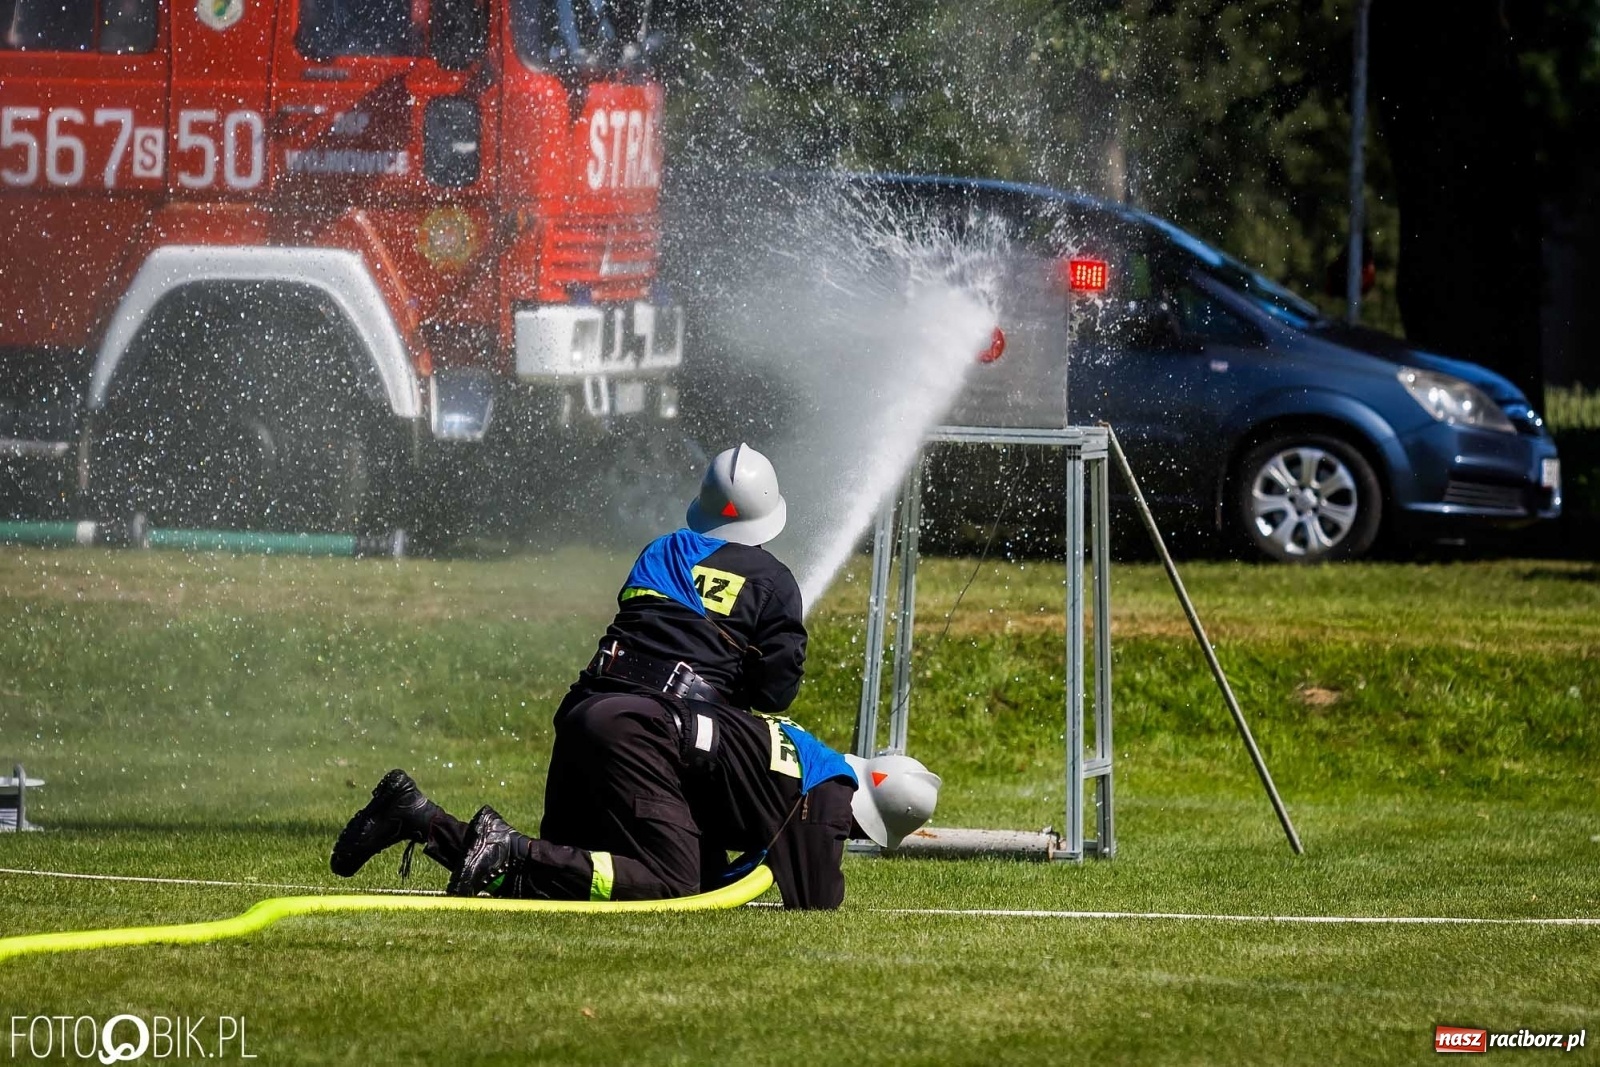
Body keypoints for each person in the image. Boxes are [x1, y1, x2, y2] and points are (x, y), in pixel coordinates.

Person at [330, 443, 864, 910]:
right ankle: (505, 844)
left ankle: (418, 819)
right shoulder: (773, 580)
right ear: (769, 513)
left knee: (555, 874)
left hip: (587, 710)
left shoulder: (660, 552)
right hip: (648, 735)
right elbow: (774, 692)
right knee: (676, 885)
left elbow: (656, 632)